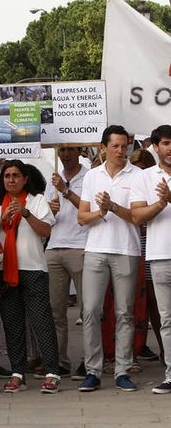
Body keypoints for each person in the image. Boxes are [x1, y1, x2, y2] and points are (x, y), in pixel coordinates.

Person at [77, 125, 142, 392]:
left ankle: (122, 370)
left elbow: (139, 216)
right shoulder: (92, 176)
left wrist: (113, 207)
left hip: (127, 249)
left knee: (124, 313)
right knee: (91, 310)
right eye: (114, 146)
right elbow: (82, 217)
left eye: (123, 146)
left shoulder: (138, 175)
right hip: (95, 249)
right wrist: (101, 212)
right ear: (103, 147)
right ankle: (93, 370)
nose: (120, 151)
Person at [0, 161, 61, 393]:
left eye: (16, 176)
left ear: (25, 178)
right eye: (7, 176)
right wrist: (3, 217)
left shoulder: (37, 200)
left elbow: (45, 231)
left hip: (33, 269)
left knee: (42, 322)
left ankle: (52, 372)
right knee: (12, 323)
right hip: (4, 271)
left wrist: (25, 213)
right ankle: (17, 372)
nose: (11, 180)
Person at [129, 124, 171, 393]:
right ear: (155, 147)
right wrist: (161, 203)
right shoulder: (144, 178)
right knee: (167, 319)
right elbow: (136, 216)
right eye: (166, 143)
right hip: (160, 256)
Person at [45, 145, 90, 377]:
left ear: (78, 151)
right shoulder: (52, 177)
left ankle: (88, 361)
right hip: (54, 247)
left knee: (88, 310)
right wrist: (49, 210)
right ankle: (59, 361)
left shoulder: (89, 175)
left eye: (69, 150)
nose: (64, 155)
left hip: (81, 247)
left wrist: (65, 192)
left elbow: (89, 210)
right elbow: (45, 217)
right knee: (55, 311)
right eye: (61, 150)